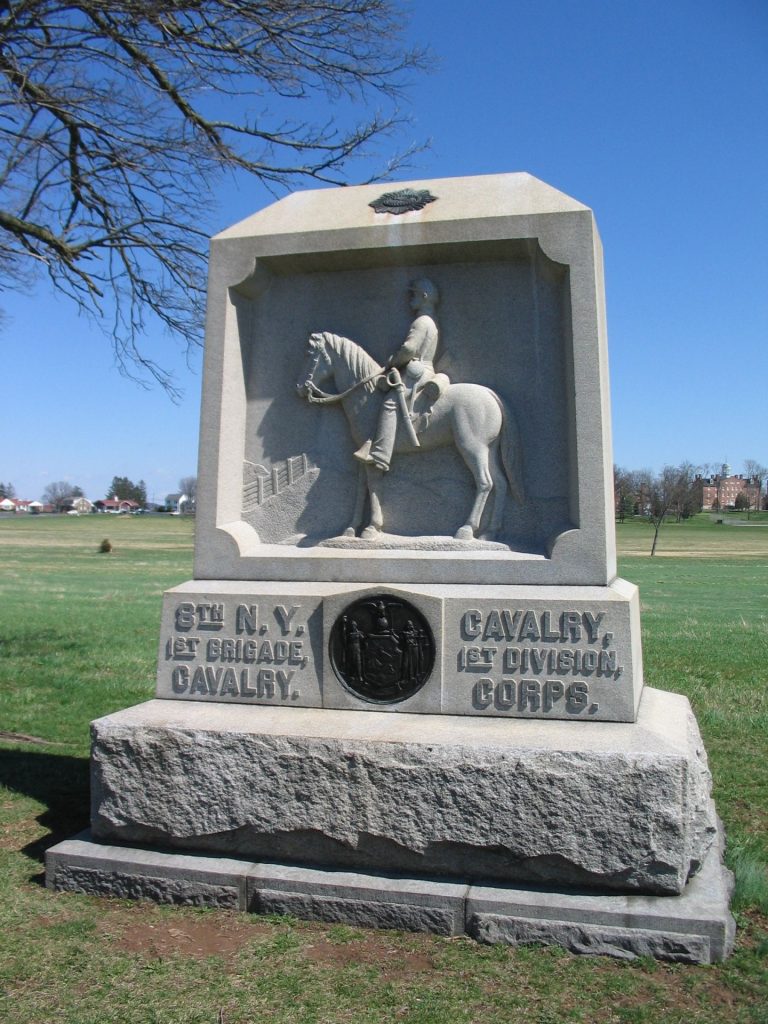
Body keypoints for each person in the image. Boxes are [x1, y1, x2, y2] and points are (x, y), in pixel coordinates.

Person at [354, 278, 440, 472]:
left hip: (418, 372)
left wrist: (394, 359)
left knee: (390, 403)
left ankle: (381, 455)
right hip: (425, 370)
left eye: (414, 295)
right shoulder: (432, 321)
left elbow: (409, 348)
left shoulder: (421, 321)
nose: (411, 299)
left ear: (424, 297)